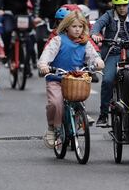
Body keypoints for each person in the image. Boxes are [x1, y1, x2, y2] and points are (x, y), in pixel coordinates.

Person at [38, 11, 104, 148]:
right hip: (56, 78)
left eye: (80, 27)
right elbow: (46, 56)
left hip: (75, 79)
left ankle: (79, 116)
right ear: (67, 27)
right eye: (74, 26)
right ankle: (53, 127)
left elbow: (93, 56)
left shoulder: (85, 42)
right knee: (56, 103)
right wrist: (44, 65)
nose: (77, 29)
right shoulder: (58, 40)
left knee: (78, 99)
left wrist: (98, 62)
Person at [91, 0, 129, 127]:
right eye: (118, 5)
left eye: (125, 4)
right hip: (113, 52)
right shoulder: (108, 14)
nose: (122, 8)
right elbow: (98, 25)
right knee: (107, 80)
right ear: (114, 5)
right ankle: (103, 115)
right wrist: (95, 34)